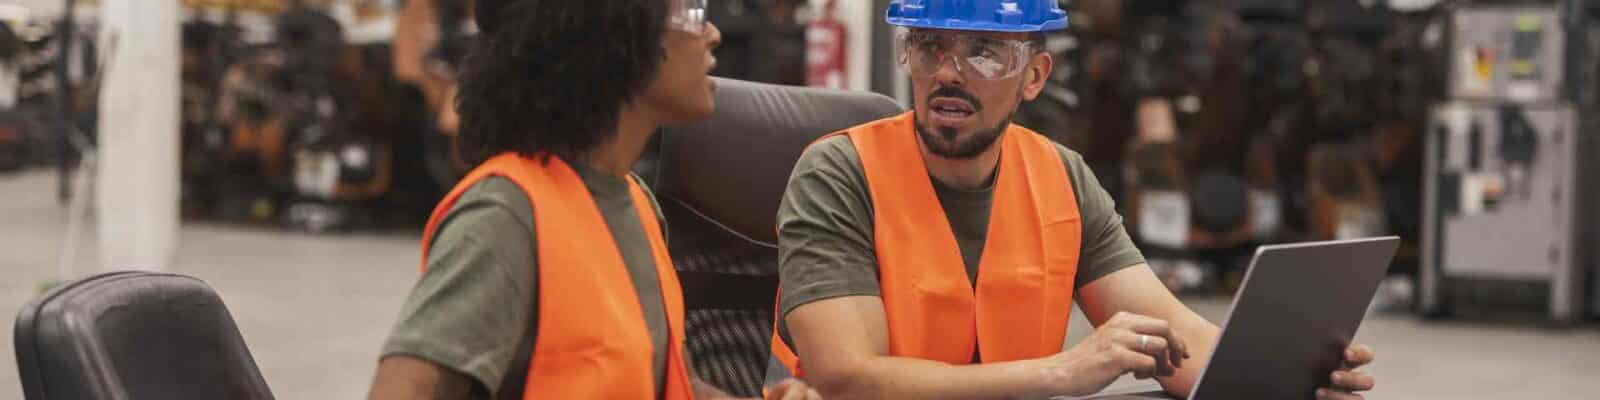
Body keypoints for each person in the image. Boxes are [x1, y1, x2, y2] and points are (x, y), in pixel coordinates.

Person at [767, 1, 1377, 399]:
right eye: (930, 46)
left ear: (1035, 76)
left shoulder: (1058, 175)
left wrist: (1276, 376)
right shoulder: (840, 172)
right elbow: (846, 377)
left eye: (984, 51)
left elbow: (1173, 331)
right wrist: (1060, 372)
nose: (950, 72)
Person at [366, 0, 822, 399]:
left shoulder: (634, 201)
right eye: (688, 12)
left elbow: (661, 381)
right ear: (615, 35)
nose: (712, 32)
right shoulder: (506, 215)